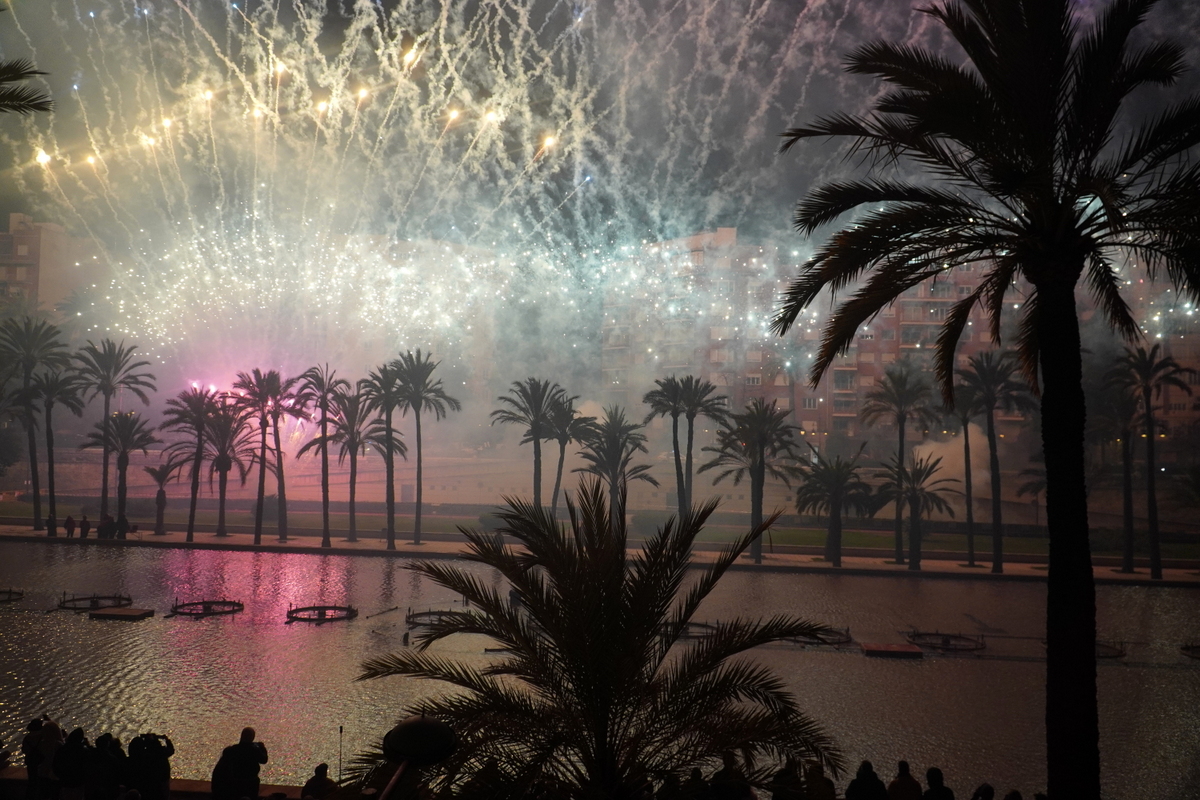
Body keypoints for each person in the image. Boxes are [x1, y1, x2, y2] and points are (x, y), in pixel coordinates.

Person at [211, 727, 268, 800]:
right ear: (252, 737)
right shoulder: (254, 750)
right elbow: (264, 760)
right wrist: (262, 748)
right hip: (251, 781)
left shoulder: (232, 750)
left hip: (236, 781)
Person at [127, 733, 173, 800]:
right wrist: (166, 739)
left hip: (149, 780)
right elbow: (171, 750)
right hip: (163, 777)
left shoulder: (143, 754)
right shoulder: (161, 752)